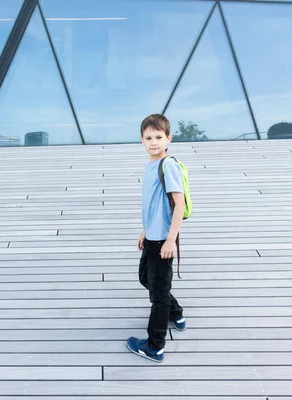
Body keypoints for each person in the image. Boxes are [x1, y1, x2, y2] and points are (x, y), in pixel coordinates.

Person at [126, 113, 186, 363]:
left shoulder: (168, 165)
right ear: (141, 140)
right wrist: (145, 229)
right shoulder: (151, 166)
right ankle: (176, 314)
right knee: (145, 278)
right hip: (152, 236)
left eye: (158, 137)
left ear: (168, 138)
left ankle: (155, 345)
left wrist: (171, 239)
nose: (153, 142)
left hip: (163, 240)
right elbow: (155, 205)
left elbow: (179, 204)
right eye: (148, 138)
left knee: (158, 294)